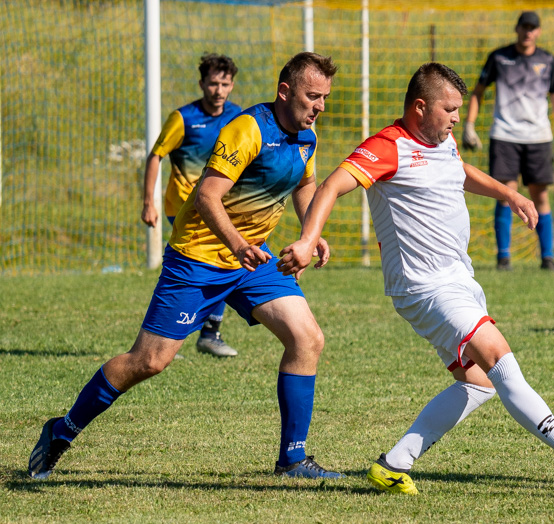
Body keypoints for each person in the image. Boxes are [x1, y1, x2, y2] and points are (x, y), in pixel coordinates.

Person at [279, 62, 554, 495]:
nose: (456, 117)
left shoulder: (443, 141)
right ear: (420, 107)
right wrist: (307, 239)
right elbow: (332, 185)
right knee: (497, 353)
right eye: (449, 108)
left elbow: (458, 169)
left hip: (458, 280)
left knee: (480, 382)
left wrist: (508, 193)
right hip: (424, 286)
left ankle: (394, 464)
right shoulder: (387, 146)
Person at [29, 52, 343, 481]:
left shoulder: (307, 135)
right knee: (149, 361)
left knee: (307, 338)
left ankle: (293, 459)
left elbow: (305, 183)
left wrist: (311, 233)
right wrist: (234, 244)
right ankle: (61, 430)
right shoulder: (248, 129)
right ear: (285, 92)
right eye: (313, 96)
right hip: (198, 258)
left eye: (324, 97)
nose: (320, 106)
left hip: (253, 259)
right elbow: (207, 196)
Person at [142, 53, 243, 357]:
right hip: (183, 207)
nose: (218, 90)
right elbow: (155, 156)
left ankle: (196, 331)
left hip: (217, 207)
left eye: (224, 84)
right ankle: (199, 332)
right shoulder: (183, 118)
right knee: (214, 259)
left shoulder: (240, 118)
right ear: (201, 84)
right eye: (212, 83)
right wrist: (149, 202)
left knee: (220, 259)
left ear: (232, 86)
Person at [462, 11, 554, 272]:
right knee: (505, 193)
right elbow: (477, 93)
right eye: (524, 27)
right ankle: (503, 258)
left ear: (539, 32)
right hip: (504, 135)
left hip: (538, 137)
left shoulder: (547, 60)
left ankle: (548, 257)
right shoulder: (499, 57)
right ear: (517, 28)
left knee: (540, 195)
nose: (528, 32)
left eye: (533, 28)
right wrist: (469, 124)